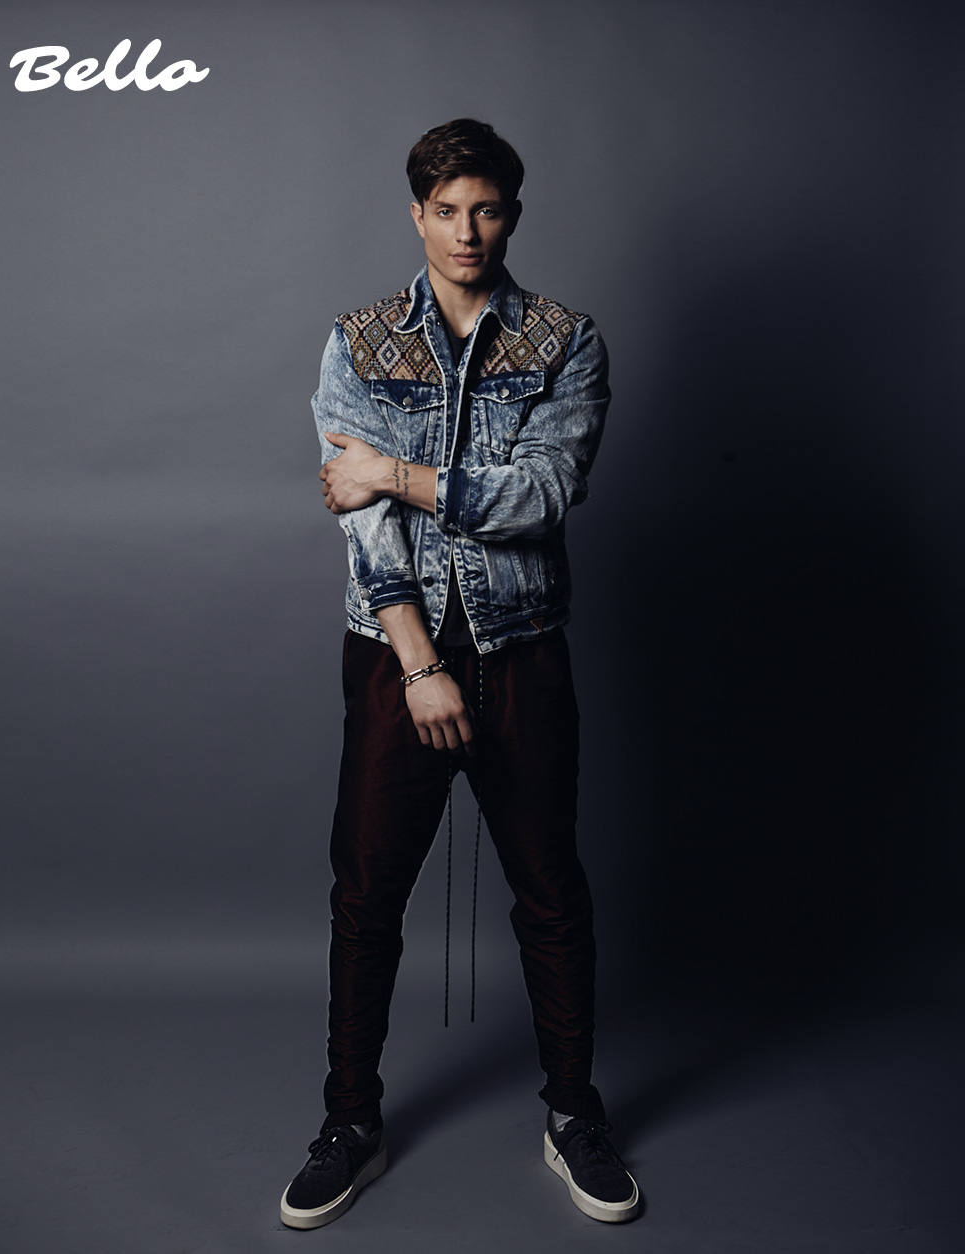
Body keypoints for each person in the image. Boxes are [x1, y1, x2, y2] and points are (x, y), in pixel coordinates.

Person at [280, 118, 638, 1229]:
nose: (466, 231)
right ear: (417, 215)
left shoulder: (565, 340)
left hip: (522, 649)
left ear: (512, 216)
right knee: (365, 895)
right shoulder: (358, 340)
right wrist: (420, 663)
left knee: (551, 890)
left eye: (486, 210)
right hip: (398, 655)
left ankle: (573, 1113)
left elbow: (541, 496)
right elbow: (360, 524)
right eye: (446, 211)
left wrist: (395, 470)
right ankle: (350, 1121)